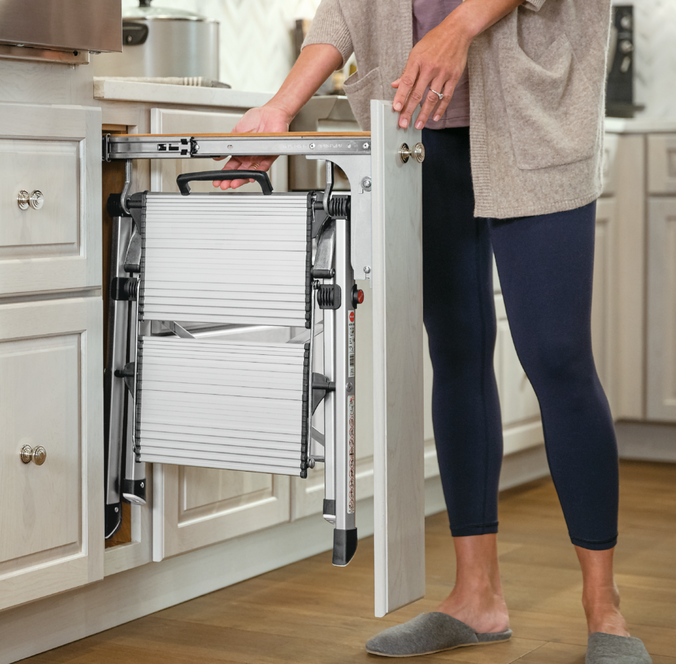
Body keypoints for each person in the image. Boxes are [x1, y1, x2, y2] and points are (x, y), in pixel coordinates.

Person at [218, 1, 653, 661]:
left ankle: (605, 609)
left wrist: (459, 25)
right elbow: (346, 8)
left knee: (557, 358)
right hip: (418, 124)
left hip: (536, 117)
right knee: (455, 349)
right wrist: (282, 105)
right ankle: (476, 599)